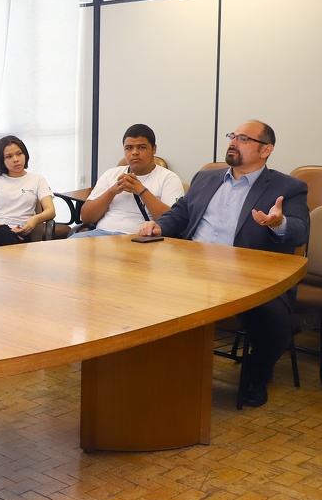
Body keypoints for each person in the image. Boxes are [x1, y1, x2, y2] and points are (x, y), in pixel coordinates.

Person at [138, 120, 309, 408]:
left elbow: (300, 230)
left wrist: (279, 223)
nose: (233, 142)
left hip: (248, 276)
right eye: (233, 136)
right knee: (138, 292)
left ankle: (256, 375)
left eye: (243, 139)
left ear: (266, 149)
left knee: (274, 320)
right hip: (191, 270)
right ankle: (152, 371)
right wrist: (159, 227)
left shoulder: (288, 187)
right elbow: (179, 214)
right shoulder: (206, 178)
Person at [71, 124, 184, 237]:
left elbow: (173, 221)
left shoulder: (169, 178)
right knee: (69, 246)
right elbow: (86, 217)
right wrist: (112, 191)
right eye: (129, 148)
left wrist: (142, 191)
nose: (134, 152)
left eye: (142, 147)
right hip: (101, 235)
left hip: (139, 238)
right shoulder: (111, 174)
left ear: (154, 149)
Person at [0, 135, 55, 249]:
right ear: (2, 160)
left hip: (20, 233)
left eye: (19, 153)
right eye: (9, 156)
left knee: (10, 242)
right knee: (4, 235)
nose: (15, 159)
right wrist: (7, 230)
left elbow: (50, 211)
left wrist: (34, 219)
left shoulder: (37, 179)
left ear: (25, 154)